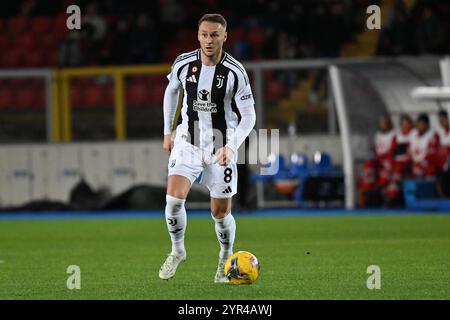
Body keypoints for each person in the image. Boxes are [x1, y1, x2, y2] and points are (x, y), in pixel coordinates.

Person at [159, 13, 256, 283]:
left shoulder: (235, 71)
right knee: (173, 200)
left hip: (220, 147)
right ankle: (177, 251)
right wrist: (168, 132)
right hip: (187, 142)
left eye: (214, 34)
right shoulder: (183, 63)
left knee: (220, 212)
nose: (209, 40)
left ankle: (226, 257)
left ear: (225, 36)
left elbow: (249, 116)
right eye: (204, 34)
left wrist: (231, 145)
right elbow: (171, 91)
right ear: (198, 35)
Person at [409, 113, 440, 179]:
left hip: (429, 169)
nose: (420, 126)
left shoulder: (432, 135)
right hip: (415, 166)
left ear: (427, 124)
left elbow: (432, 154)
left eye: (422, 124)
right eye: (419, 124)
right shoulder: (413, 134)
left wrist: (420, 165)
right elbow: (409, 150)